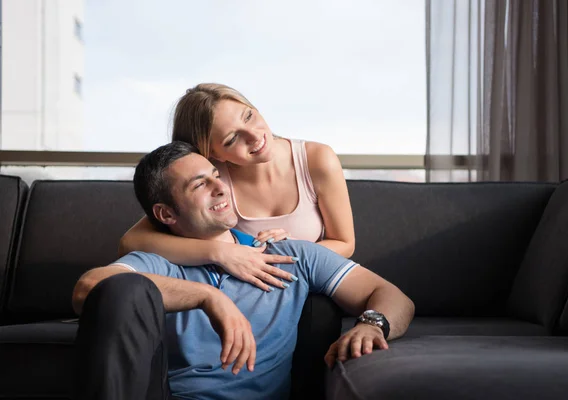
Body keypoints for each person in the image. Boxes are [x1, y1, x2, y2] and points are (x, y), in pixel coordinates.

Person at [73, 142, 414, 400]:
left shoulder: (290, 253)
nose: (220, 188)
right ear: (166, 214)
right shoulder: (160, 263)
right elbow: (90, 287)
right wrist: (207, 297)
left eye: (216, 176)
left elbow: (394, 297)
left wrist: (373, 324)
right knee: (124, 289)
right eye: (198, 185)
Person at [119, 83, 355, 292]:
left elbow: (345, 243)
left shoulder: (317, 160)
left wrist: (289, 251)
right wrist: (221, 253)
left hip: (307, 287)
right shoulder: (211, 180)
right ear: (210, 153)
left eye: (249, 116)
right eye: (232, 139)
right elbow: (132, 242)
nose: (254, 136)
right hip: (239, 292)